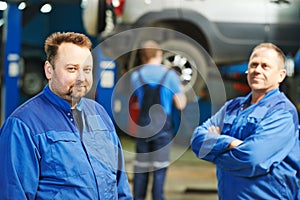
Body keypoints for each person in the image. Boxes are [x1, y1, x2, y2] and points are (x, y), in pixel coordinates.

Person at [0, 32, 132, 199]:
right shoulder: (23, 125)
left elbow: (121, 186)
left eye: (87, 69)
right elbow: (13, 194)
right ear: (49, 70)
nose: (81, 78)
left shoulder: (100, 114)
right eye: (72, 69)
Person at [191, 43, 300, 199]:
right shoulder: (232, 107)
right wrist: (229, 143)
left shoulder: (283, 113)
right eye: (254, 64)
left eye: (265, 66)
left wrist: (214, 148)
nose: (257, 70)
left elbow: (252, 158)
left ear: (281, 75)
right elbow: (197, 141)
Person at [130, 40, 187, 200]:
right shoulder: (170, 76)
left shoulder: (136, 76)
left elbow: (136, 100)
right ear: (159, 54)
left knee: (141, 169)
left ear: (142, 57)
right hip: (162, 129)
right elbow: (180, 104)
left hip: (143, 127)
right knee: (159, 170)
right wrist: (180, 87)